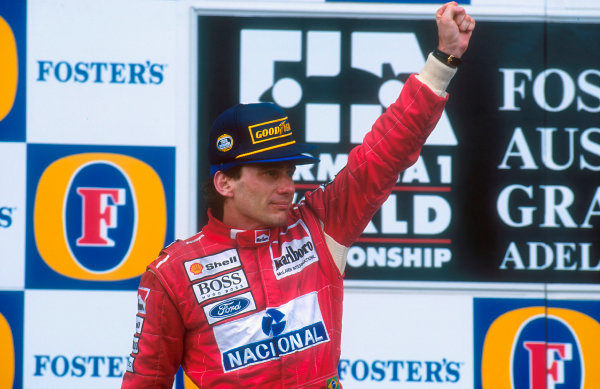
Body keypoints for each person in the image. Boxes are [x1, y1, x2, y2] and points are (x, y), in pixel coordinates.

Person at [121, 2, 475, 388]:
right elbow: (146, 380)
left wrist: (443, 60)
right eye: (270, 173)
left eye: (289, 172)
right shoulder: (173, 273)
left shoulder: (319, 225)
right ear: (225, 183)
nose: (288, 186)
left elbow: (385, 152)